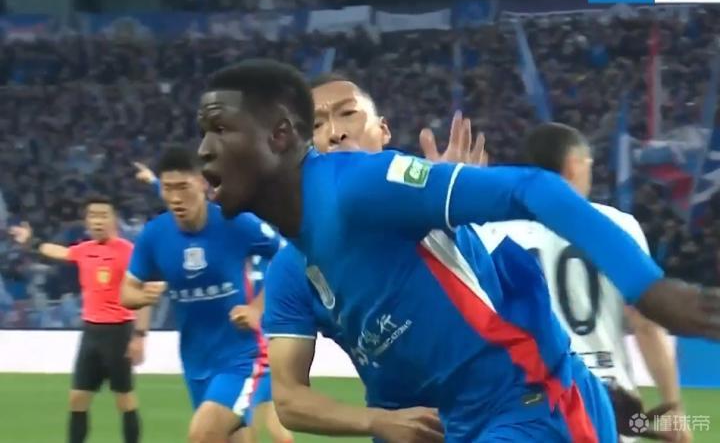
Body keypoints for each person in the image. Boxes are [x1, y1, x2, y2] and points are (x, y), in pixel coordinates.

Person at [196, 59, 720, 442]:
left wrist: (649, 289)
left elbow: (533, 189)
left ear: (382, 130)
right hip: (446, 425)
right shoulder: (294, 267)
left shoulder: (370, 185)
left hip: (529, 406)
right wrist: (377, 421)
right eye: (317, 124)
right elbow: (289, 397)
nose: (333, 133)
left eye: (348, 115)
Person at [475, 122, 691, 443]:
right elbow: (646, 325)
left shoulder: (489, 233)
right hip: (606, 403)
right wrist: (673, 406)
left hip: (526, 405)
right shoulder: (616, 225)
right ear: (574, 165)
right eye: (589, 163)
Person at [120, 145, 292, 443]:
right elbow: (126, 292)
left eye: (183, 187)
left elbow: (290, 257)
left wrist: (257, 307)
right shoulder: (154, 235)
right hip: (195, 359)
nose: (175, 198)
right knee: (232, 437)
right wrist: (143, 297)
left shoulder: (235, 222)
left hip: (242, 355)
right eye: (168, 188)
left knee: (202, 434)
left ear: (202, 182)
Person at [9, 195, 142, 443]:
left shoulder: (128, 251)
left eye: (103, 215)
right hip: (91, 332)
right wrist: (32, 242)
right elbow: (59, 252)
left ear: (113, 219)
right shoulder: (84, 250)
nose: (98, 220)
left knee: (124, 399)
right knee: (77, 398)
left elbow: (143, 287)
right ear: (86, 221)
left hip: (119, 331)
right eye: (93, 215)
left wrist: (138, 336)